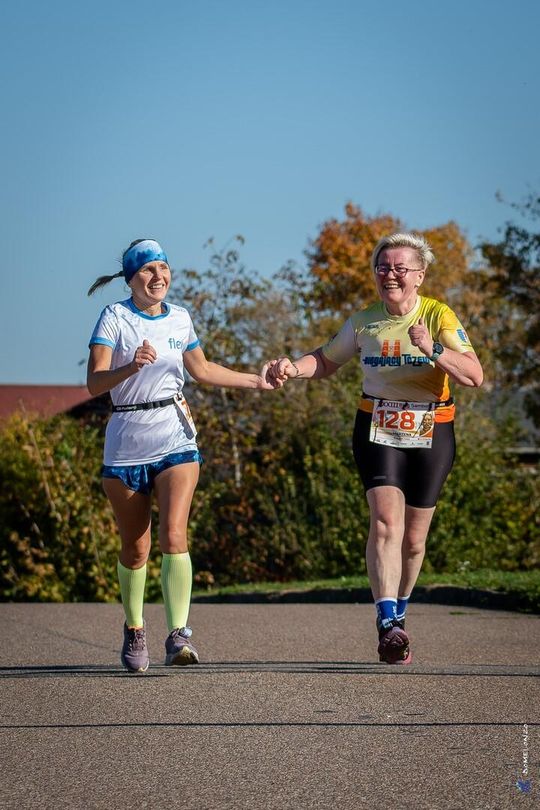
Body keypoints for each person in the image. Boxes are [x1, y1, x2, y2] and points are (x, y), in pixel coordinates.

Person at [266, 233, 483, 664]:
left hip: (432, 429)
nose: (391, 275)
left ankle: (399, 612)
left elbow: (474, 375)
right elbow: (325, 360)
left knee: (414, 541)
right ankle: (387, 623)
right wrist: (294, 367)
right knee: (385, 523)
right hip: (378, 426)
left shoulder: (438, 315)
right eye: (383, 268)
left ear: (420, 276)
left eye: (401, 268)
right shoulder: (364, 321)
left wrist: (433, 348)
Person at [87, 238, 276, 673]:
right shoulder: (114, 317)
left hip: (175, 436)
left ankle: (178, 636)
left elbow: (203, 369)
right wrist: (130, 366)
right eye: (147, 270)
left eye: (163, 268)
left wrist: (256, 381)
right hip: (126, 440)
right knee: (136, 548)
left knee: (174, 534)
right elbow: (95, 383)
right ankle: (135, 628)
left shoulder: (180, 317)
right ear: (131, 279)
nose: (158, 277)